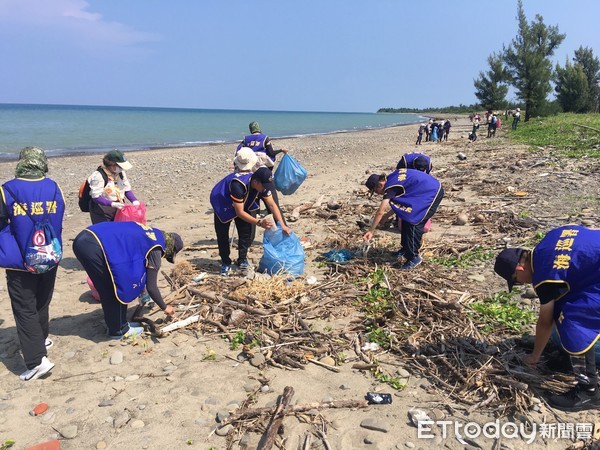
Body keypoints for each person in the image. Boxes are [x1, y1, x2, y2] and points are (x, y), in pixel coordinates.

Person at [494, 225, 600, 411]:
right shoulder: (552, 238)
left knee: (573, 321)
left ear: (520, 268)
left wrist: (534, 357)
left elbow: (545, 322)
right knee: (564, 302)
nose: (522, 284)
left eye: (516, 281)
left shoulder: (545, 277)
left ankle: (588, 391)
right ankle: (569, 358)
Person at [0, 147, 65, 380]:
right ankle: (42, 338)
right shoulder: (54, 187)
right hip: (49, 254)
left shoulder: (7, 190)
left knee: (24, 307)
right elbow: (59, 218)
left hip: (20, 260)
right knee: (41, 300)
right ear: (42, 164)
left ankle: (36, 361)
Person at [73, 222, 183, 339]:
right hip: (93, 246)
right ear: (169, 249)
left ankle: (121, 325)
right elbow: (151, 286)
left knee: (120, 282)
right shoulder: (156, 248)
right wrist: (165, 307)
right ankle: (117, 332)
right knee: (113, 286)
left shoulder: (152, 235)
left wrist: (141, 289)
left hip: (87, 237)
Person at [210, 165, 290, 276]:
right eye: (264, 185)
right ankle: (225, 262)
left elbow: (272, 205)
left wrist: (282, 224)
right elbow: (239, 212)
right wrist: (259, 222)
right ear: (256, 182)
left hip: (243, 201)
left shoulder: (262, 186)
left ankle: (242, 260)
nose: (265, 188)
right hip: (222, 201)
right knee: (222, 234)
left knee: (246, 232)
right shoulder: (238, 185)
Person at [362, 169, 444, 270]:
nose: (378, 194)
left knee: (414, 221)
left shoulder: (390, 187)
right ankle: (405, 249)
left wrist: (371, 230)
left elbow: (380, 211)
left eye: (375, 191)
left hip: (432, 192)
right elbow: (399, 205)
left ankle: (414, 257)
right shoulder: (391, 178)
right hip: (422, 190)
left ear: (379, 185)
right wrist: (387, 216)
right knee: (405, 215)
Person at [86, 150, 139, 224]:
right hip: (102, 209)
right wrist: (112, 204)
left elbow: (127, 189)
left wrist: (134, 200)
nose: (121, 169)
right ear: (112, 165)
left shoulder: (121, 174)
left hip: (119, 207)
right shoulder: (98, 176)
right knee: (105, 231)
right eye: (120, 166)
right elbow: (96, 197)